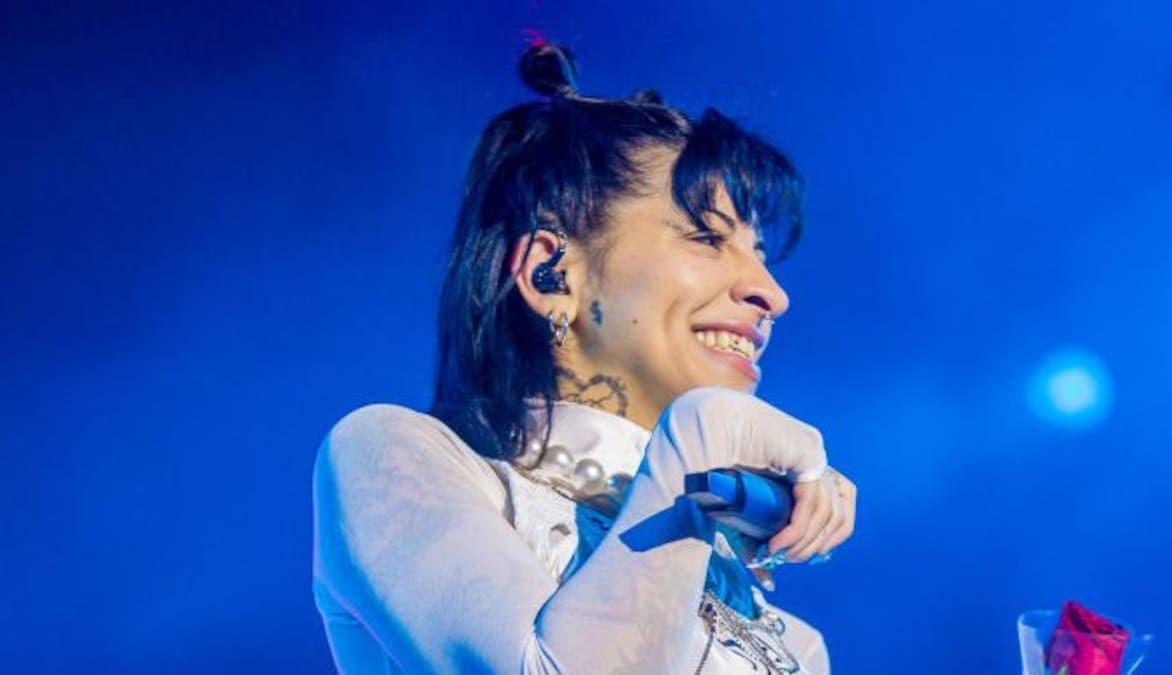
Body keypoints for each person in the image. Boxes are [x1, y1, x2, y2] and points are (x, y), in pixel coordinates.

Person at [312, 41, 858, 674]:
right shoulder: (389, 457)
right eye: (707, 237)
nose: (772, 293)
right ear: (552, 274)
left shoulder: (792, 643)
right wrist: (707, 431)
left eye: (760, 253)